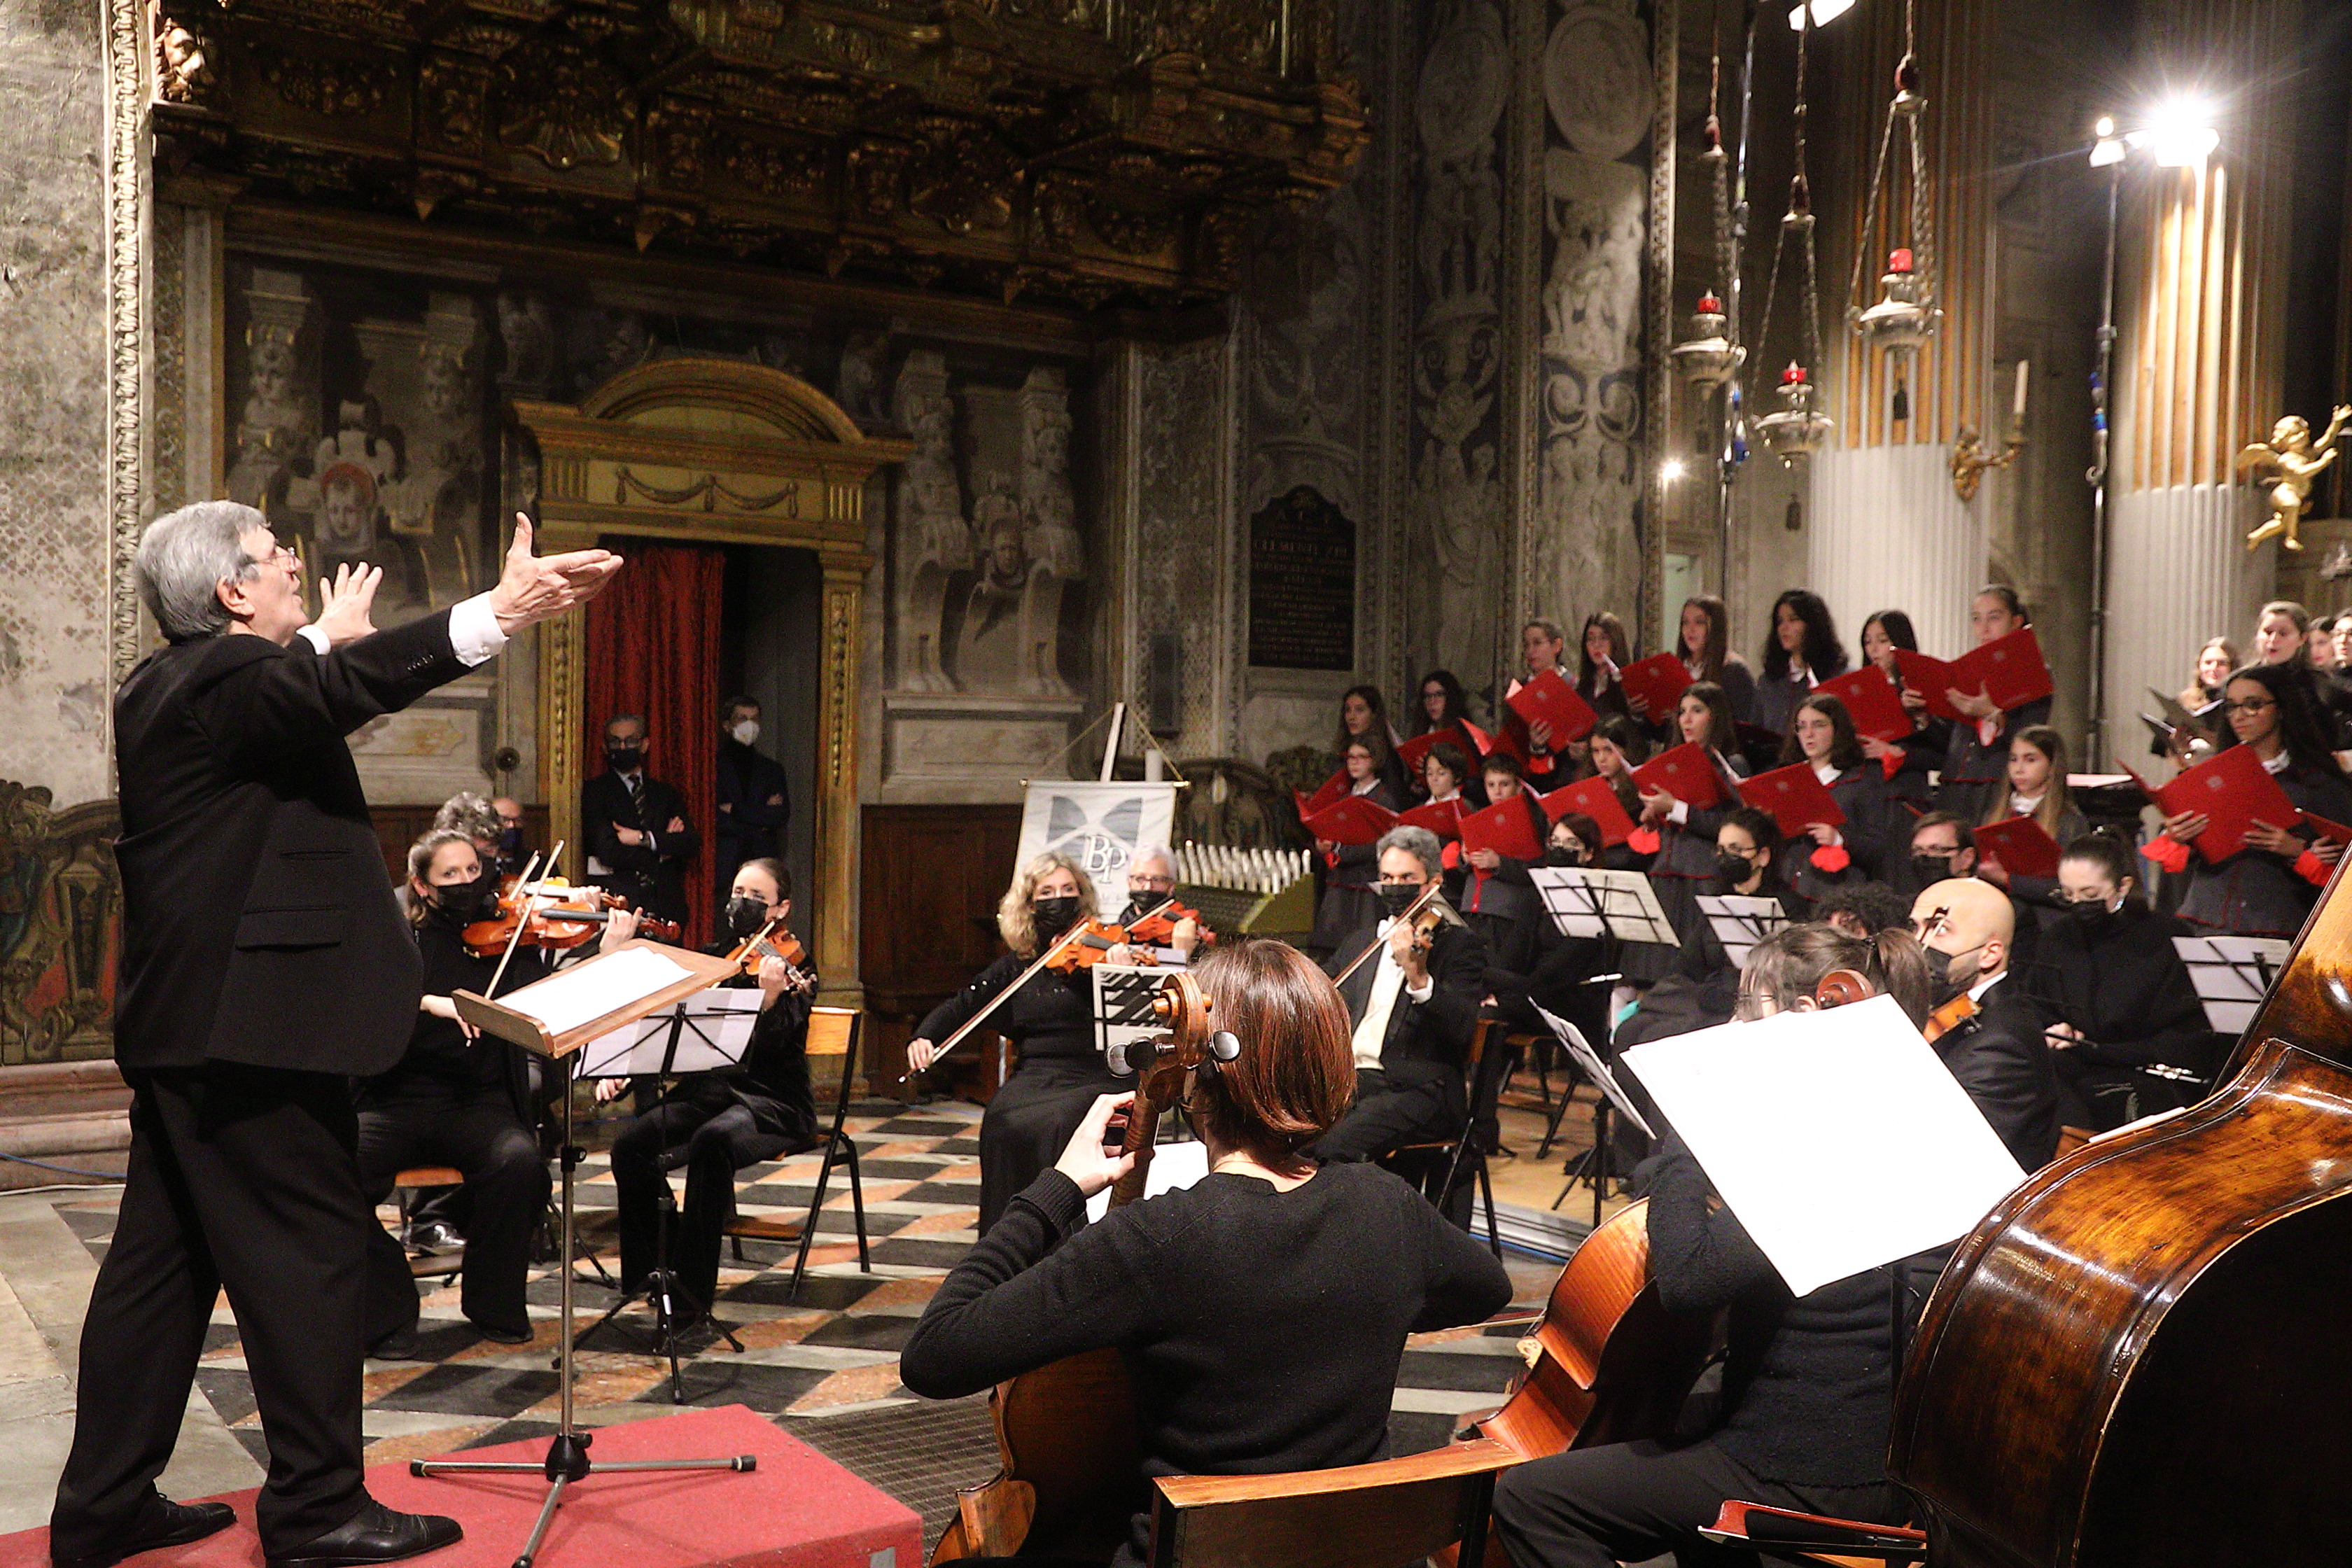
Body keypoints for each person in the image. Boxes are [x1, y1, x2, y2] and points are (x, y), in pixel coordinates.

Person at [56, 501, 615, 1568]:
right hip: (254, 1038)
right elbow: (320, 690)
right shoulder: (222, 679)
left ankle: (103, 1506)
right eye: (273, 558)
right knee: (310, 1263)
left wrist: (318, 641)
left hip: (195, 1032)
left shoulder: (167, 689)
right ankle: (316, 1510)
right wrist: (494, 612)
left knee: (157, 1275)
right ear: (231, 594)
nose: (292, 563)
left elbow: (301, 694)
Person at [899, 941, 1514, 1568]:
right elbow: (1489, 1289)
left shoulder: (1159, 1240)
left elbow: (933, 1355)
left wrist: (1056, 1190)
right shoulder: (1388, 1208)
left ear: (1196, 1072)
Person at [1491, 924, 1932, 1568]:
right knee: (1651, 1425)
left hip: (1800, 1467)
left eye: (1746, 1008)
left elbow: (1689, 1282)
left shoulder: (1820, 1144)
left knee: (1535, 1498)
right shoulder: (1897, 1114)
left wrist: (1690, 1133)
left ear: (1806, 1013)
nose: (1731, 1025)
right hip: (1868, 1448)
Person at [358, 832, 606, 1354]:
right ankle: (389, 1307)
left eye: (473, 870)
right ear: (422, 887)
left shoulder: (509, 943)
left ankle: (493, 1304)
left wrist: (607, 949)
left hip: (477, 1103)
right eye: (451, 875)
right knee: (329, 1172)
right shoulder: (401, 942)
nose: (468, 883)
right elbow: (369, 1010)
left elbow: (551, 1003)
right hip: (399, 1100)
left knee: (519, 1165)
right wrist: (431, 1003)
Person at [602, 857, 816, 1320]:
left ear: (781, 909)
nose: (742, 903)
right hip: (709, 1095)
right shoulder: (716, 955)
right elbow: (672, 1033)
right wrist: (626, 1070)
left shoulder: (795, 964)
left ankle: (690, 1297)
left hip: (771, 1102)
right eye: (738, 892)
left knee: (711, 1143)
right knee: (632, 1145)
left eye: (757, 898)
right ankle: (649, 1271)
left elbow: (780, 1049)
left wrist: (772, 999)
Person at [906, 855, 1119, 1233]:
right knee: (1000, 1119)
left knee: (1057, 1123)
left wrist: (1118, 968)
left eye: (1069, 890)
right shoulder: (1018, 964)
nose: (1060, 899)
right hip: (1036, 1074)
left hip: (1094, 1074)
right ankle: (1006, 1237)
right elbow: (965, 1003)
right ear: (1030, 905)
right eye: (1048, 892)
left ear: (1082, 897)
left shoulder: (1103, 951)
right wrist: (925, 1035)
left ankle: (1064, 1241)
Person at [1314, 827, 1488, 1164]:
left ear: (1433, 883)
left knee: (1334, 1147)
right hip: (1352, 1080)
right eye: (1387, 878)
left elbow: (1462, 1027)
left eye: (1407, 877)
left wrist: (1418, 975)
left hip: (1417, 1088)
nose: (1395, 888)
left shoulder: (1457, 946)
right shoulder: (1363, 941)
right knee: (1284, 1133)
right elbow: (1322, 987)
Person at [2162, 660, 2352, 937]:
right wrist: (2178, 836)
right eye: (2231, 707)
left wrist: (2297, 852)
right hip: (2205, 919)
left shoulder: (2319, 784)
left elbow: (2341, 876)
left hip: (2280, 925)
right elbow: (2179, 857)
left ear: (2282, 709)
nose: (2239, 716)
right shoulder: (2214, 776)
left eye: (2253, 705)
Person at [2039, 834, 2216, 1131]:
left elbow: (2183, 1036)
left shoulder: (2165, 938)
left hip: (2142, 1071)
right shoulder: (2057, 937)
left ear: (2124, 886)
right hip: (2073, 1062)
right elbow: (2038, 1002)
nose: (2077, 904)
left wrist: (2096, 1047)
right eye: (2068, 895)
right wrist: (2057, 1030)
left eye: (2090, 894)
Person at [1908, 877, 2062, 1170]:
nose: (1919, 944)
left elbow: (1949, 1153)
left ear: (1990, 954)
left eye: (1941, 931)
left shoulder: (2002, 1043)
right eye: (1915, 927)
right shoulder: (1954, 1007)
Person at [1635, 681, 1748, 948]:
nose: (1686, 719)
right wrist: (1655, 820)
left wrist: (1675, 808)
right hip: (1666, 876)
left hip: (1702, 879)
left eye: (1696, 710)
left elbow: (1733, 827)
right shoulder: (1673, 763)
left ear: (1716, 717)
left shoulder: (1731, 764)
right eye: (1682, 711)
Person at [1935, 586, 2054, 823]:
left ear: (2016, 622)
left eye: (1994, 618)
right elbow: (1948, 737)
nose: (1984, 628)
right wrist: (1923, 717)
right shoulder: (1967, 670)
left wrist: (1990, 713)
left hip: (1998, 783)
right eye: (1977, 620)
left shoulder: (2033, 672)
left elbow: (2033, 739)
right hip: (1956, 782)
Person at [582, 713, 697, 929]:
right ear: (605, 747)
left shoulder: (665, 793)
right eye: (616, 742)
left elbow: (690, 842)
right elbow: (608, 851)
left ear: (644, 745)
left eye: (631, 741)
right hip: (621, 905)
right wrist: (663, 850)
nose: (623, 747)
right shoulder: (594, 792)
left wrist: (642, 839)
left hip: (666, 906)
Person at [1776, 694, 1891, 899]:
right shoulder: (1789, 777)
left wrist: (1838, 838)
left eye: (1818, 725)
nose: (1808, 734)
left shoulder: (1863, 779)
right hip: (1789, 886)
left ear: (1838, 730)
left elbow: (1879, 847)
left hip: (1836, 892)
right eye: (1801, 726)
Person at [1975, 725, 2087, 920]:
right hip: (1999, 913)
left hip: (2046, 918)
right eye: (2013, 759)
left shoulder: (2070, 822)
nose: (2018, 769)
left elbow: (2071, 889)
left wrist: (2008, 879)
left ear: (2052, 767)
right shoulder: (1995, 815)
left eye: (2030, 760)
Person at [1458, 752, 1552, 974]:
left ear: (1519, 786)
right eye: (1491, 785)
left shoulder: (1534, 819)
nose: (1497, 791)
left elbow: (1539, 870)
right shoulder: (1479, 817)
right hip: (1473, 909)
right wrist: (1463, 858)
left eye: (1504, 784)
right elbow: (1464, 870)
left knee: (1499, 976)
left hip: (1507, 914)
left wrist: (1499, 863)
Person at [1310, 738, 1403, 953]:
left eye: (1362, 757)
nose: (1355, 763)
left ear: (1374, 761)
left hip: (1365, 884)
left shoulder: (1384, 798)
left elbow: (1382, 843)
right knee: (1332, 947)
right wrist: (1323, 844)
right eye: (1351, 758)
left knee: (1361, 946)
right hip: (1338, 882)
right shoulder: (1343, 795)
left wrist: (1340, 850)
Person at [1858, 609, 1947, 809]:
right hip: (1866, 791)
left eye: (1882, 641)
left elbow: (1943, 753)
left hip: (1906, 793)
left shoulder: (1923, 687)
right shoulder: (1859, 691)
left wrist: (1897, 752)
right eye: (1867, 642)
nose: (1873, 649)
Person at [714, 695, 790, 910]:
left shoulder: (772, 770)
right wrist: (759, 818)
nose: (750, 724)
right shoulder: (712, 767)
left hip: (763, 863)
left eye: (755, 719)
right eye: (742, 718)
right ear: (727, 725)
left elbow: (779, 816)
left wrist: (736, 810)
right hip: (725, 866)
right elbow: (716, 819)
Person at [1755, 589, 1848, 738]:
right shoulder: (1769, 681)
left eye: (1793, 620)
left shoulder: (1838, 677)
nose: (1784, 628)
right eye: (1780, 622)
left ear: (1812, 625)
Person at [1670, 594, 1757, 724]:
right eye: (1685, 622)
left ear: (1715, 627)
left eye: (1700, 622)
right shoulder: (1677, 668)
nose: (1690, 629)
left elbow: (1742, 725)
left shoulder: (1733, 671)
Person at [1515, 618, 1576, 783]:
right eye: (1526, 645)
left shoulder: (1573, 685)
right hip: (1529, 775)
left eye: (1537, 643)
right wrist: (1534, 744)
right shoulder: (1519, 688)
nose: (1530, 651)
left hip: (1568, 772)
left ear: (1556, 646)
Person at [1333, 685, 1412, 799]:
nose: (1351, 717)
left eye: (1360, 710)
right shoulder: (1341, 750)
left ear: (1374, 714)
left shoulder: (1387, 756)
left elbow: (1395, 800)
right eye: (1348, 710)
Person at [1889, 811, 1979, 904]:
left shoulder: (1986, 903)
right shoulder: (1907, 908)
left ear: (1968, 858)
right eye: (1918, 850)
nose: (1924, 857)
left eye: (1936, 849)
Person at [1413, 668, 1488, 762]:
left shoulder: (1465, 735)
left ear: (1450, 698)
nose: (1432, 702)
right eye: (1427, 696)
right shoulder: (1420, 734)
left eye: (1439, 695)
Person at [1576, 611, 1632, 720]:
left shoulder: (1627, 684)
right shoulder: (1582, 688)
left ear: (1615, 642)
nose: (1596, 645)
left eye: (1604, 638)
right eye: (1591, 639)